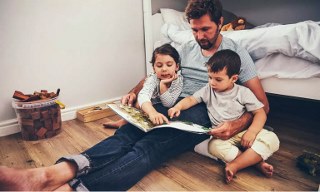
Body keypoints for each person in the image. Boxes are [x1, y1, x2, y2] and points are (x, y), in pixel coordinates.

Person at [0, 0, 270, 191]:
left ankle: (77, 189)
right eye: (194, 30)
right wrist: (133, 94)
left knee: (149, 147)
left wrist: (235, 125)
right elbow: (158, 74)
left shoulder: (236, 54)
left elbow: (262, 105)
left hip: (203, 110)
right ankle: (48, 175)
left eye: (205, 29)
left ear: (220, 23)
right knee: (125, 136)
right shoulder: (186, 47)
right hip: (171, 102)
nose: (199, 36)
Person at [168, 49, 280, 183]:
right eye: (210, 77)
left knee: (272, 139)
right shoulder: (208, 90)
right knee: (213, 147)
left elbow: (260, 113)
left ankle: (235, 165)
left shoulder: (242, 92)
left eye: (218, 79)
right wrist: (177, 107)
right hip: (222, 138)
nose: (212, 82)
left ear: (233, 78)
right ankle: (255, 163)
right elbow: (192, 99)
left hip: (243, 132)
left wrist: (252, 132)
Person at [103, 43, 183, 128]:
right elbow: (143, 95)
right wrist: (151, 112)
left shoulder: (178, 81)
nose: (164, 69)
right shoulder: (153, 78)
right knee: (137, 102)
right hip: (149, 104)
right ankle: (124, 121)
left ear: (177, 67)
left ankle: (126, 122)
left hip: (162, 106)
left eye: (169, 65)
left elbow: (168, 103)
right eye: (159, 66)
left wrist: (162, 86)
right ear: (154, 68)